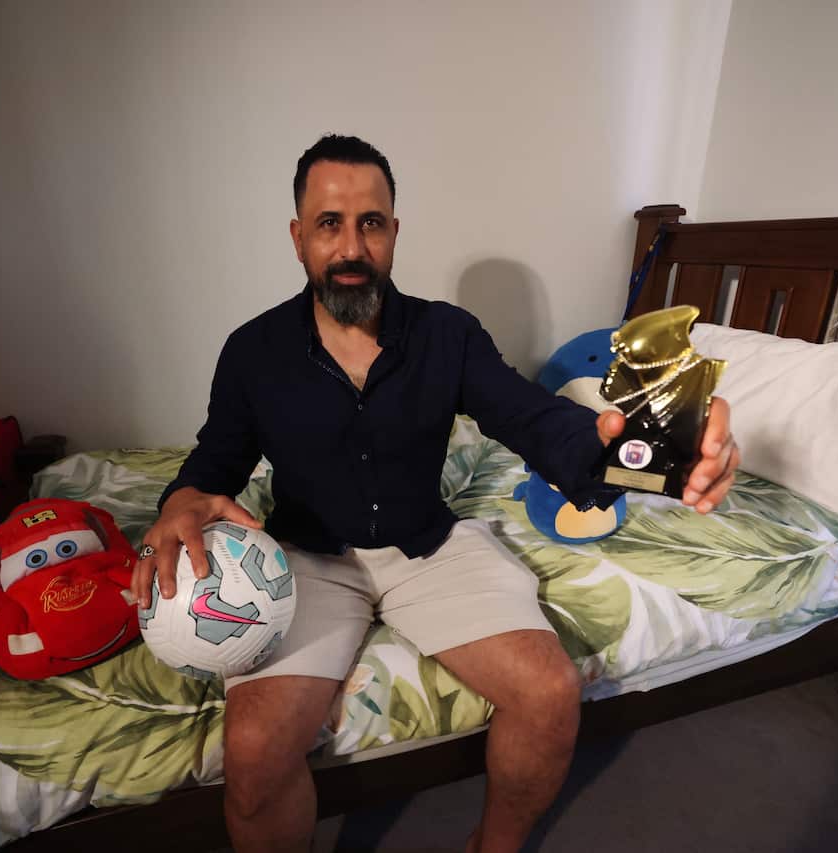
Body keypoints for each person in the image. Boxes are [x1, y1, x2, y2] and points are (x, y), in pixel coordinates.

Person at [131, 134, 739, 853]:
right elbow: (216, 460)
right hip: (304, 558)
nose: (351, 246)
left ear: (394, 232)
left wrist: (657, 457)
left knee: (549, 693)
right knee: (255, 750)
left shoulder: (449, 334)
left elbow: (533, 419)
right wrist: (183, 499)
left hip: (430, 545)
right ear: (298, 238)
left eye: (371, 223)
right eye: (329, 224)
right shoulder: (251, 350)